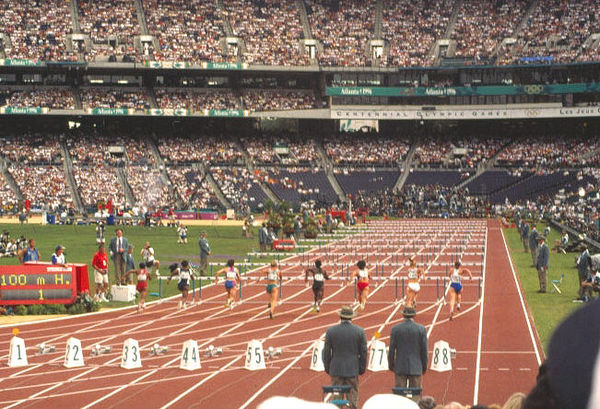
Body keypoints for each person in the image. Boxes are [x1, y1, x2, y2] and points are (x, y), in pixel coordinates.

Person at [322, 305, 367, 409]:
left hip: (336, 369)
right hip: (352, 369)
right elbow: (363, 352)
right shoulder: (360, 331)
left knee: (337, 400)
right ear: (352, 317)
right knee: (352, 400)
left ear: (340, 317)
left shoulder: (331, 331)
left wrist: (328, 368)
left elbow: (326, 352)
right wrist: (361, 368)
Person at [388, 307, 428, 402]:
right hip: (416, 366)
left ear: (403, 315)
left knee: (399, 397)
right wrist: (424, 366)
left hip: (400, 366)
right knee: (415, 396)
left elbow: (391, 350)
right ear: (414, 315)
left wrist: (391, 365)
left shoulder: (395, 329)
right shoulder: (421, 329)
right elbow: (424, 350)